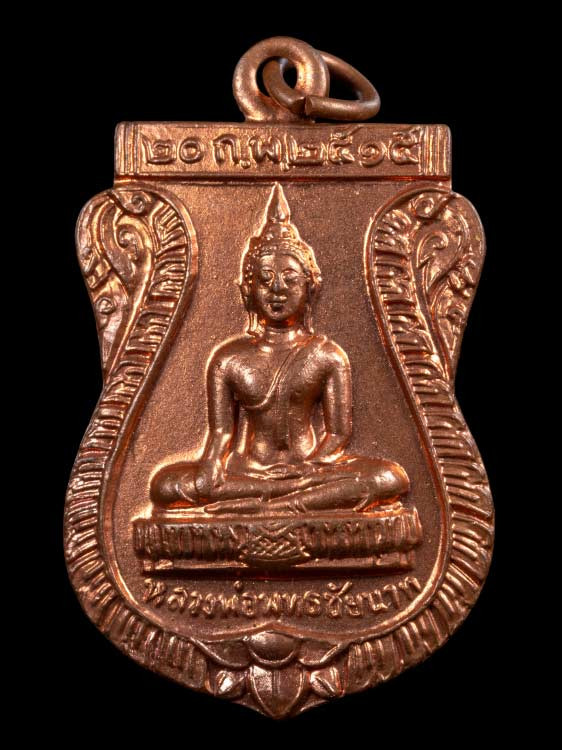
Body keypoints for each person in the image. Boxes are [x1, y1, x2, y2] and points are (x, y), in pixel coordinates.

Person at [151, 184, 409, 515]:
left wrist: (310, 467)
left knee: (389, 478)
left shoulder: (327, 355)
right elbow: (220, 434)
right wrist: (212, 465)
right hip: (248, 471)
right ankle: (284, 499)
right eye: (264, 279)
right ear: (248, 290)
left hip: (309, 470)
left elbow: (338, 433)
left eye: (290, 278)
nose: (277, 289)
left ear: (310, 287)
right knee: (165, 486)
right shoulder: (228, 359)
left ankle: (276, 504)